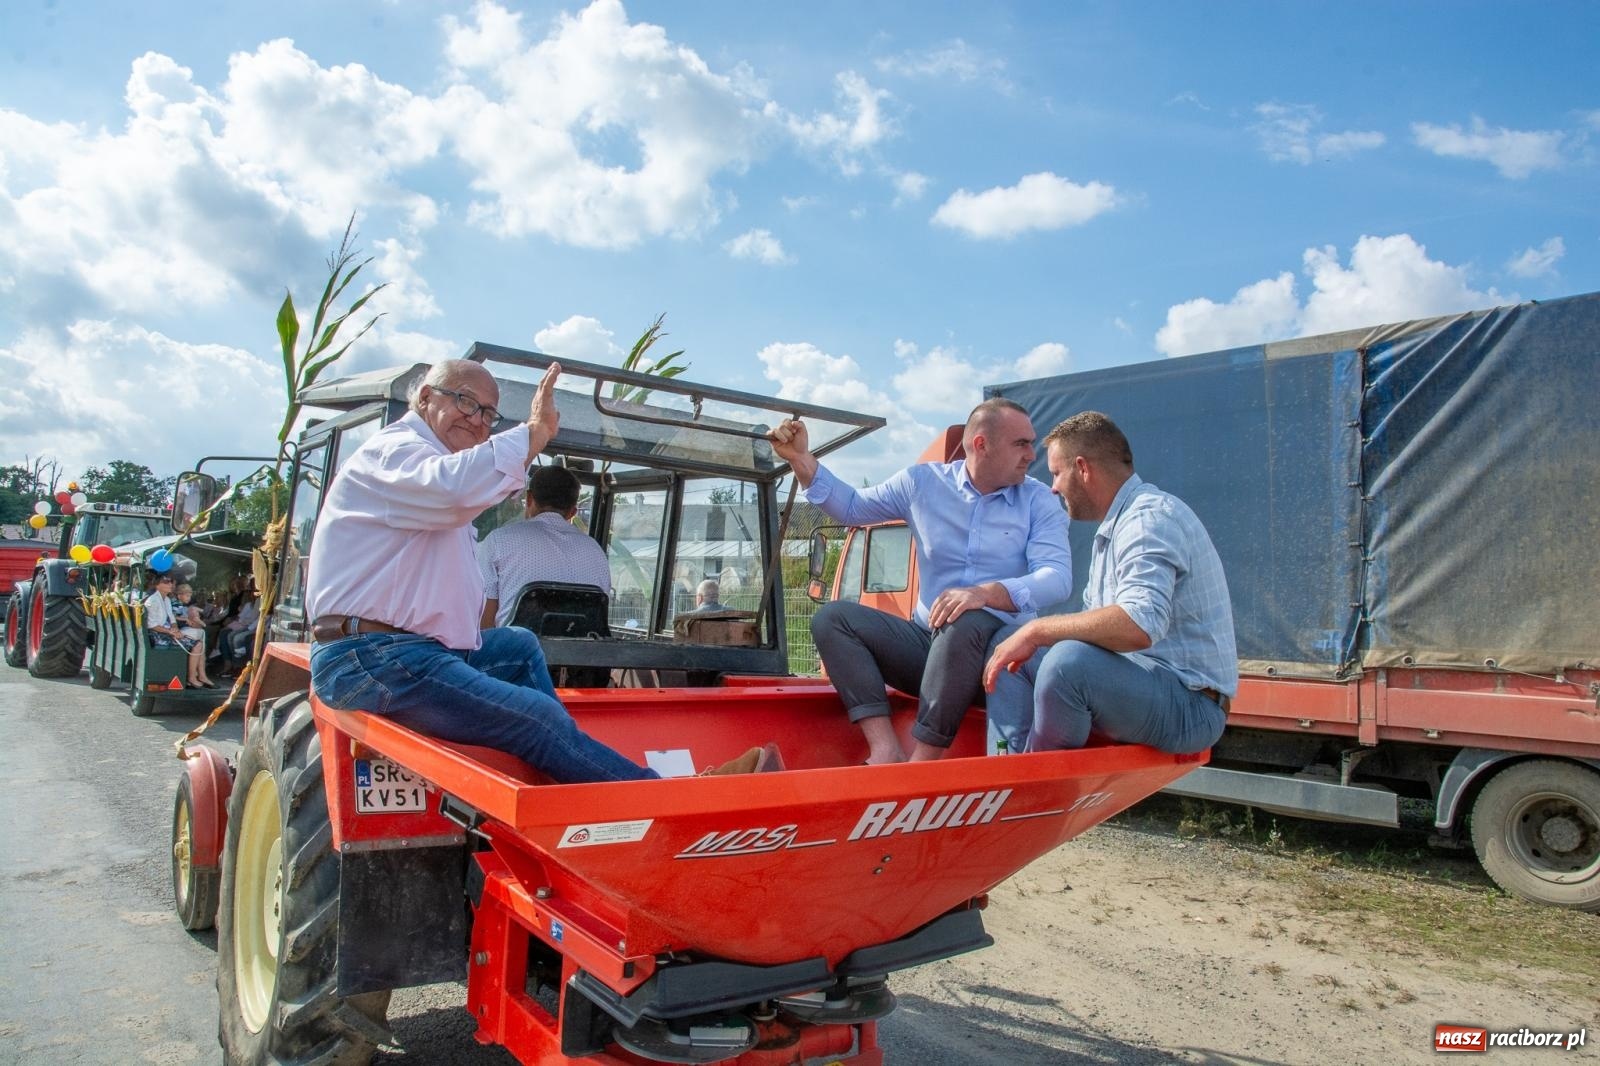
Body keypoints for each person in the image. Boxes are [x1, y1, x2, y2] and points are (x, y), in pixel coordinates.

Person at [304, 358, 777, 783]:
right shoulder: (396, 453)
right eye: (466, 402)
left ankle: (566, 768)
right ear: (425, 397)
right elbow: (453, 491)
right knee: (534, 716)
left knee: (520, 644)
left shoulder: (475, 515)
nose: (478, 420)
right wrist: (533, 432)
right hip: (371, 655)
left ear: (530, 502)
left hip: (412, 651)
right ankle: (657, 794)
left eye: (488, 414)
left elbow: (478, 607)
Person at [767, 398, 1071, 763]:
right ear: (981, 444)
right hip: (929, 652)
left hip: (999, 666)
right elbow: (851, 507)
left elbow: (1057, 579)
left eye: (1030, 442)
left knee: (965, 616)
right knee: (831, 619)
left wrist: (987, 593)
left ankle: (924, 761)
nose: (1031, 454)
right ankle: (884, 748)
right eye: (1021, 443)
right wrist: (800, 459)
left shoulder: (1039, 500)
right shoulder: (921, 483)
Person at [982, 412, 1236, 755]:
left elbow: (1138, 625)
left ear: (1083, 468)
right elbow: (1095, 637)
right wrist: (1027, 635)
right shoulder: (1113, 529)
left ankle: (1034, 784)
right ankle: (1004, 765)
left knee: (1067, 664)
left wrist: (1038, 629)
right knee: (1007, 644)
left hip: (1190, 704)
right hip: (1142, 682)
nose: (1053, 487)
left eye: (1057, 472)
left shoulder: (1148, 519)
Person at [476, 464, 612, 629]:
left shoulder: (498, 542)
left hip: (516, 652)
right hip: (582, 653)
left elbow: (484, 621)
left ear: (530, 499)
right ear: (572, 512)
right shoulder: (595, 551)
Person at [144, 573, 211, 689]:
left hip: (166, 633)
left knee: (199, 642)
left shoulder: (166, 600)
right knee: (198, 644)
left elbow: (171, 617)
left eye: (170, 582)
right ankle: (192, 677)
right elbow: (152, 625)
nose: (170, 584)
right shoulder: (153, 601)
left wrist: (175, 628)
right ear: (157, 585)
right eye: (166, 582)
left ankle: (196, 676)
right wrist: (170, 632)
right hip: (158, 636)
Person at [173, 582, 216, 687]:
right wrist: (186, 620)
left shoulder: (181, 605)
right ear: (179, 595)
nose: (189, 598)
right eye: (187, 595)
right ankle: (196, 675)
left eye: (190, 596)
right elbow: (173, 617)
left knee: (200, 636)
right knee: (200, 637)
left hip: (180, 629)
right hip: (175, 631)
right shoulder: (176, 604)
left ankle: (201, 674)